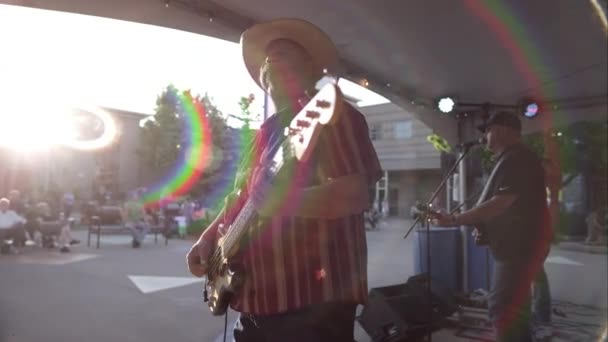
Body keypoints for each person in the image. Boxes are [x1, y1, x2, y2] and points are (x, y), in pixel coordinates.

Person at [186, 18, 381, 342]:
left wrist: (287, 201)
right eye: (268, 56)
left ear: (311, 69)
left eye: (286, 53)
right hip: (253, 303)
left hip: (311, 305)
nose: (271, 58)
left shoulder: (334, 116)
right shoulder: (263, 135)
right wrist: (208, 240)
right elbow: (242, 199)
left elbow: (354, 195)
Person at [433, 111, 552, 342]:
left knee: (503, 308)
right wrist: (483, 224)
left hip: (519, 248)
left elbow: (501, 203)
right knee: (515, 310)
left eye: (488, 130)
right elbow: (502, 206)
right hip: (518, 246)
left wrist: (455, 220)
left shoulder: (518, 159)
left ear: (502, 130)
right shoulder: (511, 159)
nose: (485, 136)